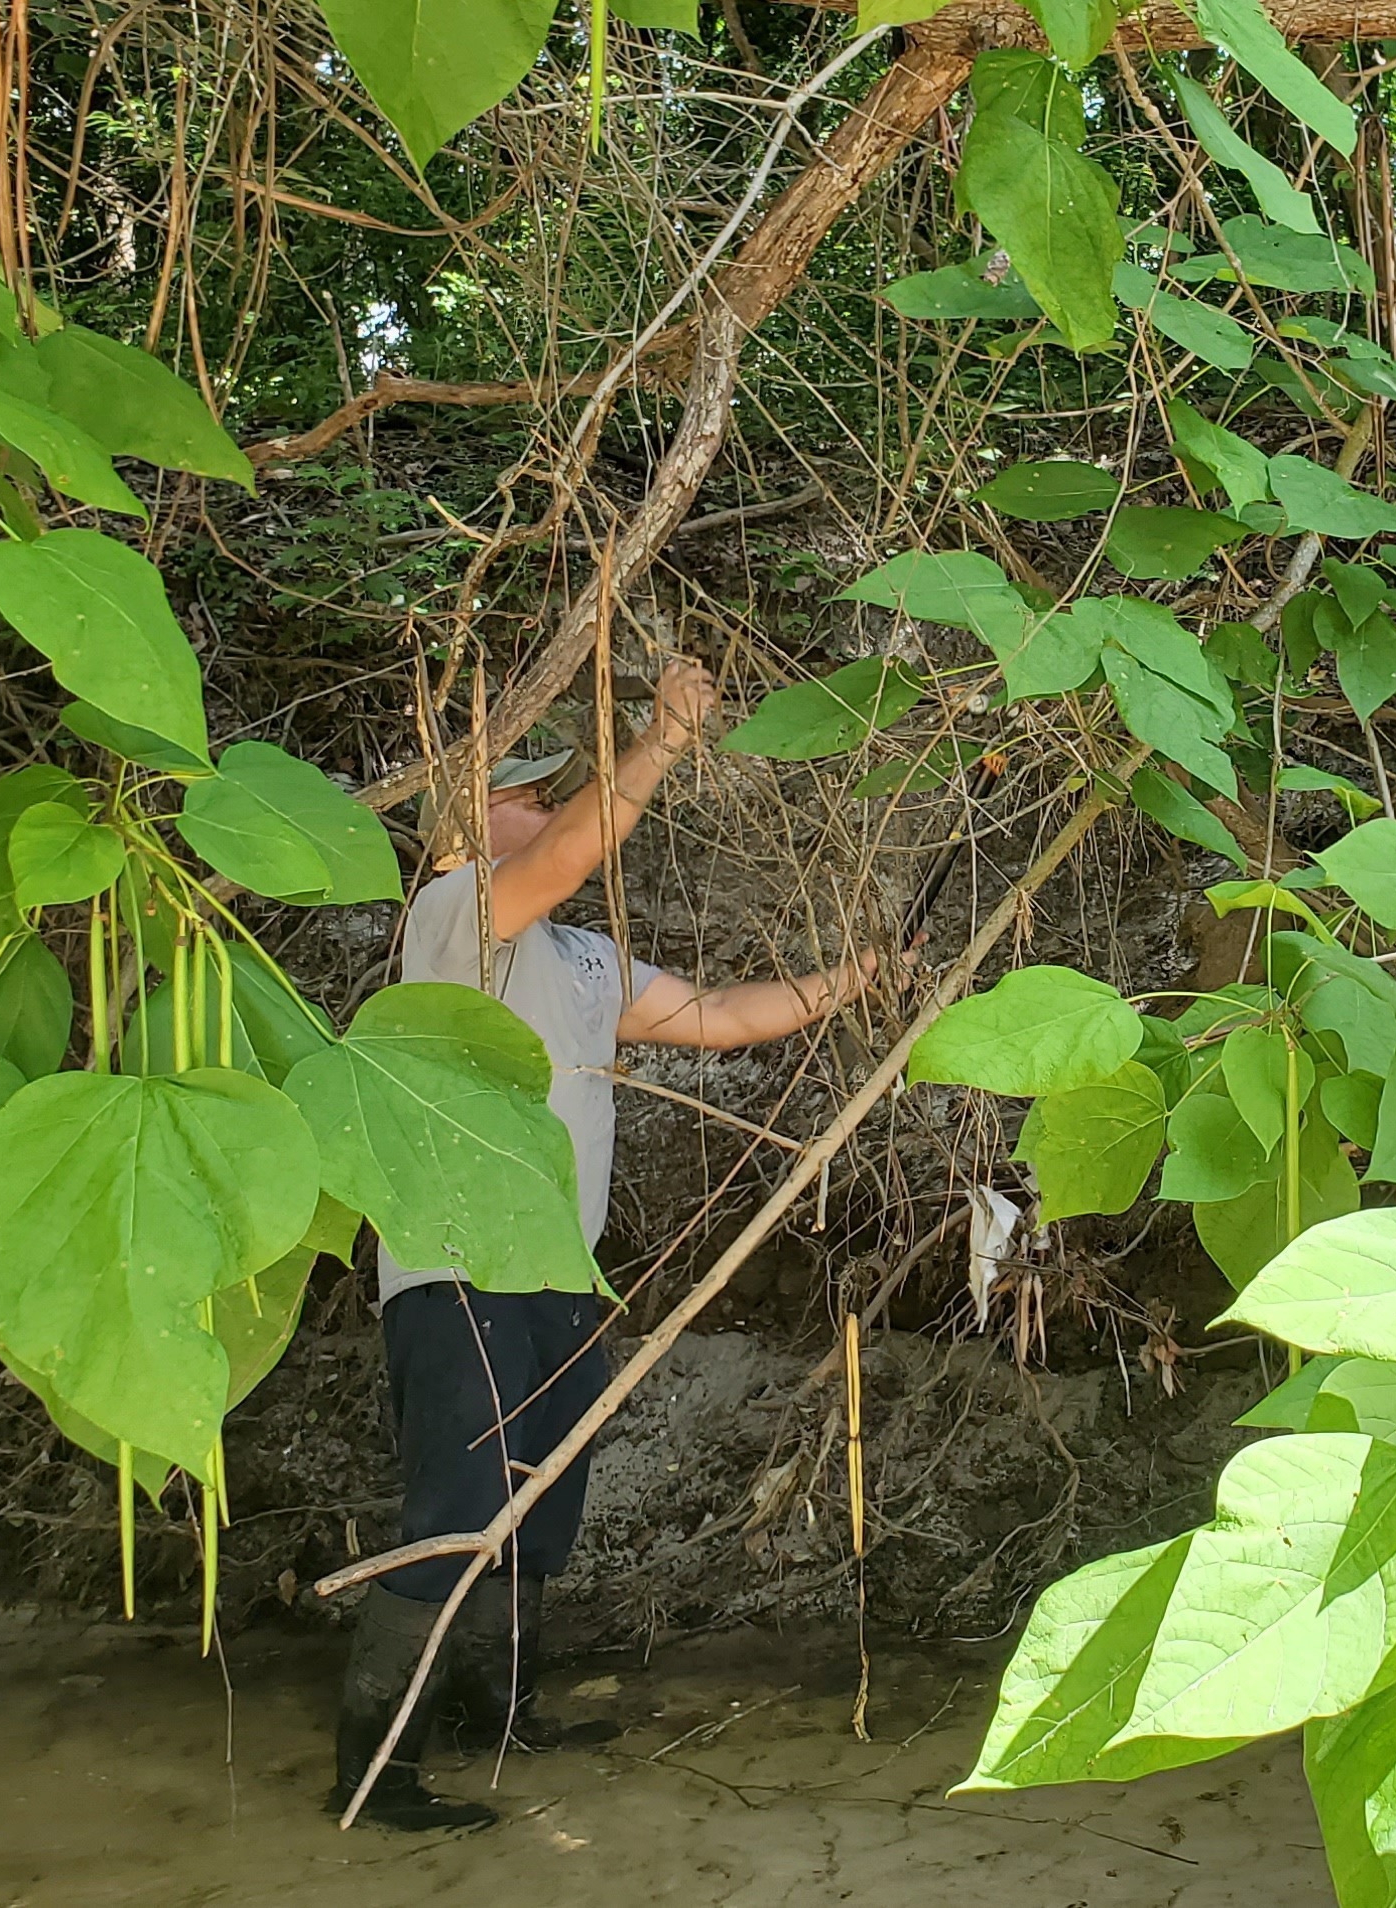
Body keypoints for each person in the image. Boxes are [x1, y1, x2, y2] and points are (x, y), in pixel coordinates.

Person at [333, 656, 888, 1832]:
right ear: (459, 818)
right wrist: (665, 739)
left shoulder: (583, 960)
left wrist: (863, 977)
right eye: (521, 792)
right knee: (456, 1514)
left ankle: (501, 1710)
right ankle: (376, 1771)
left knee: (537, 1516)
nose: (540, 806)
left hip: (559, 1283)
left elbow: (724, 1019)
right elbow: (571, 854)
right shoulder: (452, 917)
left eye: (548, 791)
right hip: (460, 1277)